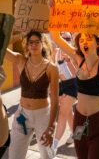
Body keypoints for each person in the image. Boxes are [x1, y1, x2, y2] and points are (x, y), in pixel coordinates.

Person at [50, 0, 99, 159]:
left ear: (97, 44)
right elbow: (55, 37)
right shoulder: (78, 59)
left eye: (88, 39)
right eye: (81, 40)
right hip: (79, 122)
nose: (84, 41)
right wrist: (54, 11)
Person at [6, 30, 59, 159]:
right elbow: (1, 48)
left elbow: (55, 100)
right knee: (14, 155)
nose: (34, 45)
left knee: (47, 155)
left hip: (43, 116)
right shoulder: (21, 61)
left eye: (37, 42)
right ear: (27, 45)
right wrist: (19, 35)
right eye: (31, 42)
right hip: (22, 115)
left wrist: (51, 127)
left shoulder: (52, 68)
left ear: (43, 44)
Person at [51, 32, 77, 153]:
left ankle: (54, 145)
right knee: (68, 112)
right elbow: (53, 68)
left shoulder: (73, 52)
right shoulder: (55, 51)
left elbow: (78, 73)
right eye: (62, 38)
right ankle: (75, 134)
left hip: (71, 84)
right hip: (59, 84)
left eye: (67, 38)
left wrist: (69, 61)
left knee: (62, 113)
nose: (65, 40)